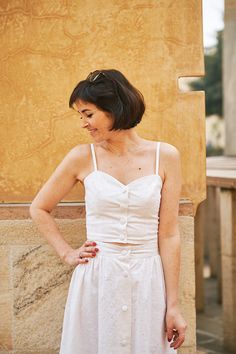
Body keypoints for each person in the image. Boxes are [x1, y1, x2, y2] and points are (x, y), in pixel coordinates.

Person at [29, 69, 187, 354]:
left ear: (114, 107)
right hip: (98, 279)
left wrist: (173, 304)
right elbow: (39, 208)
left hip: (147, 279)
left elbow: (169, 234)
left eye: (88, 114)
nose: (84, 124)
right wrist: (67, 253)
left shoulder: (166, 157)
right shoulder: (81, 157)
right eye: (80, 116)